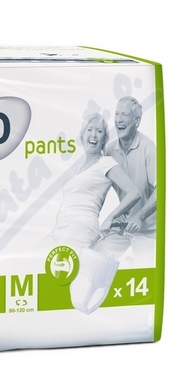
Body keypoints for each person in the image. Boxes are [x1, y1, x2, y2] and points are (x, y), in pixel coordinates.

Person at [47, 112, 141, 251]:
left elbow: (134, 193)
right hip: (59, 227)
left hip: (81, 226)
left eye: (99, 131)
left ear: (103, 139)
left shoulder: (106, 162)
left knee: (61, 263)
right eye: (89, 129)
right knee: (34, 258)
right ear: (82, 136)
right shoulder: (77, 167)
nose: (94, 135)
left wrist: (110, 218)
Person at [94, 96, 156, 266]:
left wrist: (140, 217)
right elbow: (99, 188)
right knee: (95, 256)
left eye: (125, 115)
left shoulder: (149, 149)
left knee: (145, 270)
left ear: (137, 121)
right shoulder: (109, 150)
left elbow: (163, 190)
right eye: (117, 114)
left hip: (149, 230)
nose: (119, 119)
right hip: (122, 226)